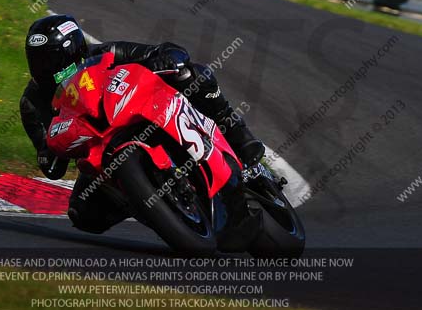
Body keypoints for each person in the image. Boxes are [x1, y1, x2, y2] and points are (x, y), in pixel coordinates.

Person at [20, 14, 264, 241]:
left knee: (192, 74)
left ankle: (239, 135)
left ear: (72, 50)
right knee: (83, 215)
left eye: (50, 59)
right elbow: (49, 160)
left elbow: (167, 51)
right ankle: (151, 204)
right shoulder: (32, 101)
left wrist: (167, 59)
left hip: (141, 111)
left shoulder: (106, 52)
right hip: (97, 148)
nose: (44, 68)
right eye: (37, 61)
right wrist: (49, 154)